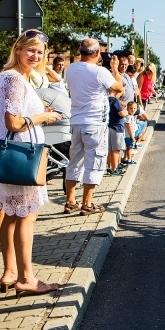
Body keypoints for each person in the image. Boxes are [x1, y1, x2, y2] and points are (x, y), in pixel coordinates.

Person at [0, 30, 62, 296]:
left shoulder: (6, 77)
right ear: (18, 49)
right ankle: (26, 278)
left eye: (40, 52)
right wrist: (43, 117)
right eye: (30, 50)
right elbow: (14, 122)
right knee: (26, 217)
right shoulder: (15, 79)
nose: (35, 55)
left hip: (10, 156)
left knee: (10, 216)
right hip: (22, 157)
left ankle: (10, 273)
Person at [63, 38, 123, 216]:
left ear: (80, 51)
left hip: (76, 121)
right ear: (97, 53)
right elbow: (118, 88)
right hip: (95, 123)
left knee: (74, 162)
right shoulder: (100, 72)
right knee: (94, 162)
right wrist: (114, 68)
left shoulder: (71, 69)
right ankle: (87, 203)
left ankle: (70, 201)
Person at [106, 86, 127, 176]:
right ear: (116, 92)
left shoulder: (105, 100)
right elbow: (121, 113)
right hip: (117, 127)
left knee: (110, 149)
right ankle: (115, 169)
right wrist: (126, 112)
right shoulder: (115, 101)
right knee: (116, 149)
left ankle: (110, 167)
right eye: (121, 94)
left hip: (108, 126)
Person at [122, 101, 138, 167]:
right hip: (128, 135)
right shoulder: (128, 117)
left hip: (128, 135)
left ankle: (125, 158)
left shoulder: (131, 116)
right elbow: (129, 127)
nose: (133, 110)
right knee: (130, 147)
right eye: (131, 108)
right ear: (127, 109)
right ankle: (129, 160)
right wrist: (132, 137)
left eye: (134, 108)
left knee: (127, 148)